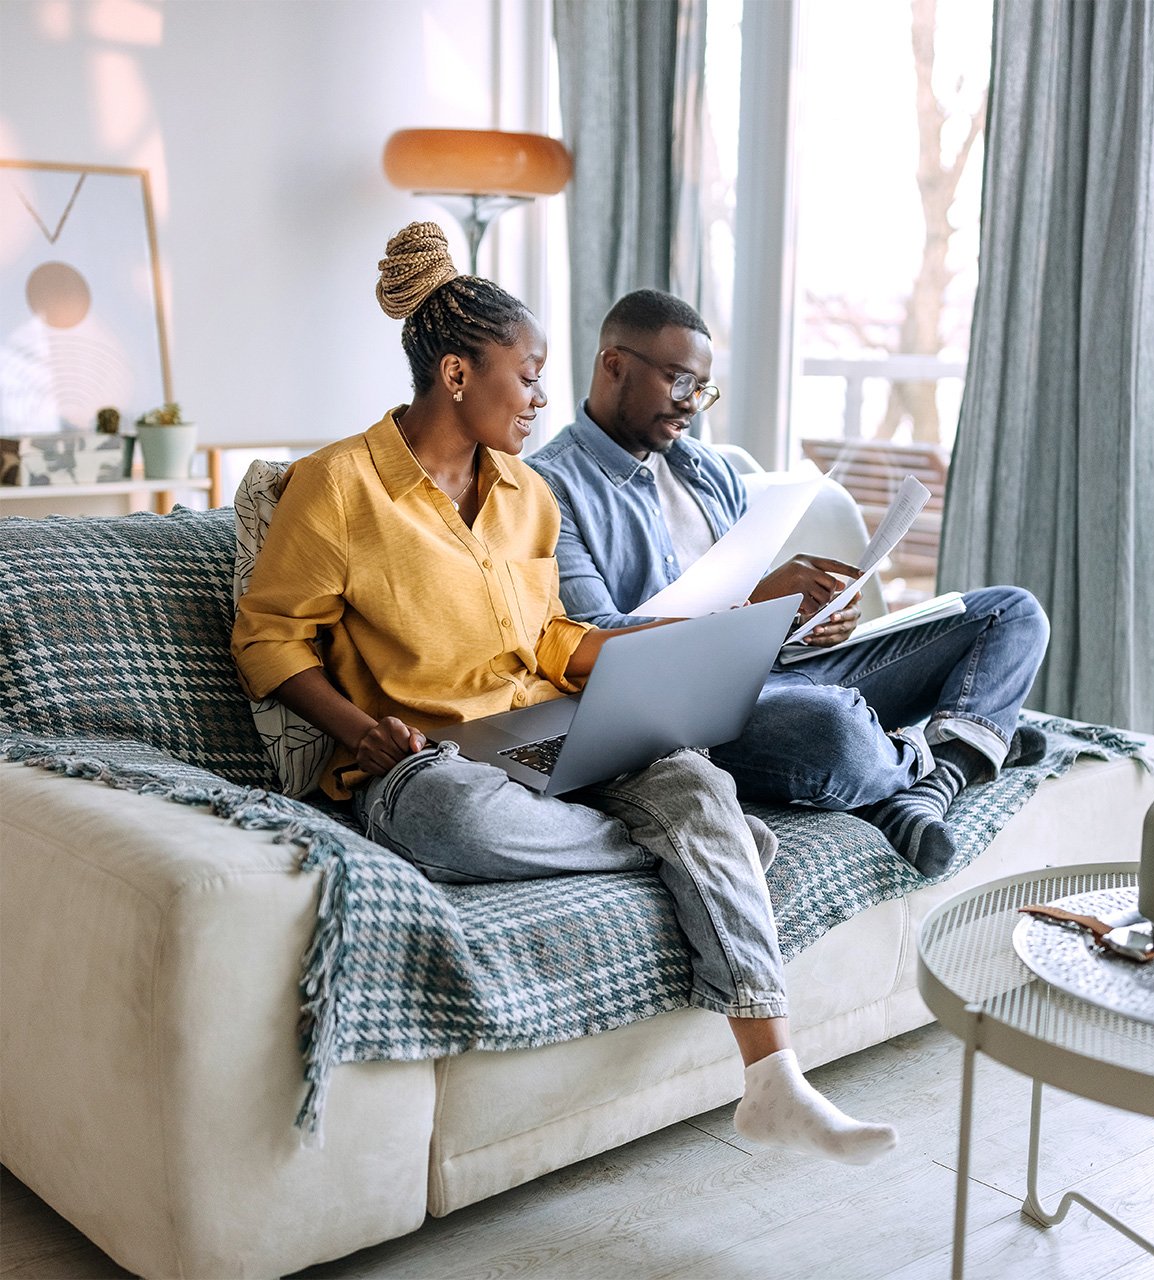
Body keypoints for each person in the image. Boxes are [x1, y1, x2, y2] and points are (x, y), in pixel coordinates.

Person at [231, 223, 896, 1169]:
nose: (544, 398)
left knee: (696, 781)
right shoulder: (337, 486)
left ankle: (773, 1078)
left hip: (550, 723)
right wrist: (361, 730)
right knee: (460, 822)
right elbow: (267, 639)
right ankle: (700, 851)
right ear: (456, 375)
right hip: (427, 761)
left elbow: (548, 638)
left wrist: (657, 655)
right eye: (530, 376)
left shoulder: (525, 495)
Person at [528, 289, 1051, 878]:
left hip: (781, 671)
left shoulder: (709, 470)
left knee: (1011, 612)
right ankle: (964, 748)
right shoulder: (548, 489)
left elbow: (751, 602)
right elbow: (593, 644)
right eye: (680, 382)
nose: (692, 405)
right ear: (614, 364)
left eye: (704, 389)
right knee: (834, 728)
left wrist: (807, 619)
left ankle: (931, 777)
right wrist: (754, 604)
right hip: (688, 712)